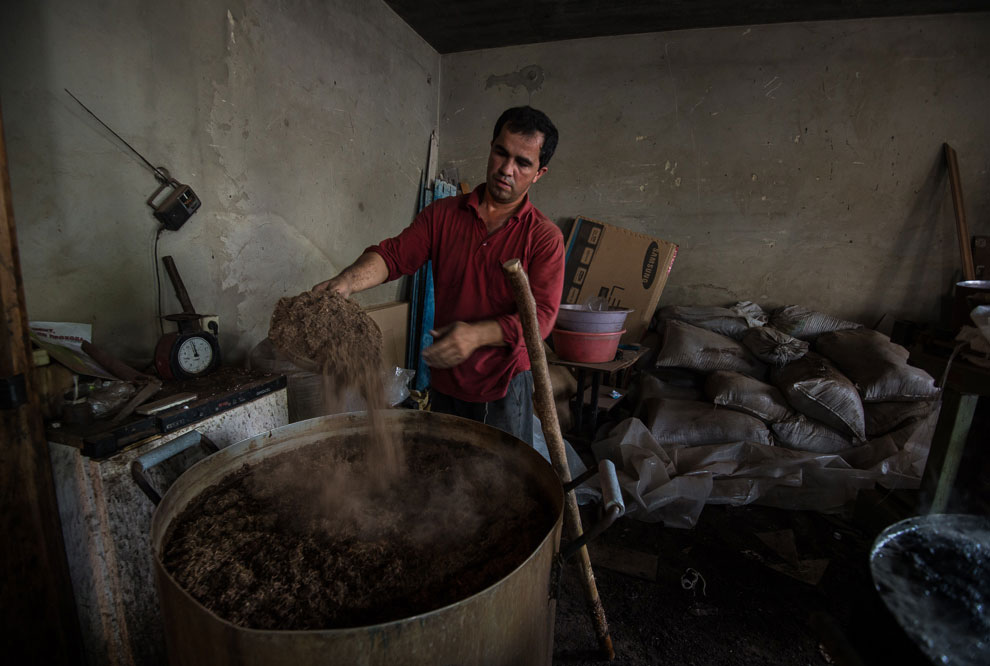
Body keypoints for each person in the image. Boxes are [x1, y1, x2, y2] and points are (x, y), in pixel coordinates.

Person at [314, 106, 564, 445]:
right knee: (445, 479)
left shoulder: (544, 237)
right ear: (491, 147)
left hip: (503, 388)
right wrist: (346, 281)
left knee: (503, 487)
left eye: (523, 163)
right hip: (446, 379)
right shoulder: (443, 215)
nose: (506, 169)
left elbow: (543, 319)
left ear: (539, 173)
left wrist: (475, 336)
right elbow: (393, 256)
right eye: (501, 153)